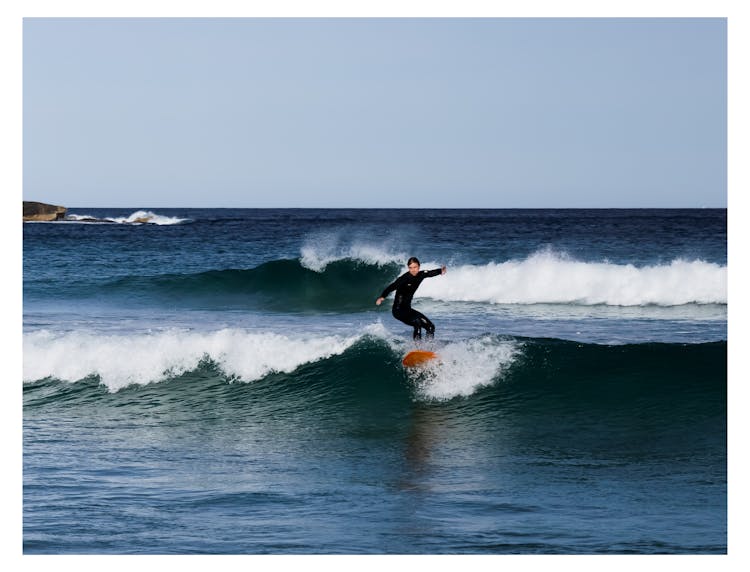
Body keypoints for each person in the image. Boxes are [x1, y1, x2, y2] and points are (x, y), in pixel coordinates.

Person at [376, 257, 447, 341]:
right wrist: (382, 297)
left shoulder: (421, 274)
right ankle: (418, 348)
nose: (413, 270)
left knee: (430, 327)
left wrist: (440, 271)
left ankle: (429, 348)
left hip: (408, 310)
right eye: (410, 268)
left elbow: (430, 273)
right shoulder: (404, 278)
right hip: (398, 310)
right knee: (417, 323)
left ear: (419, 267)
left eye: (415, 267)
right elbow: (391, 287)